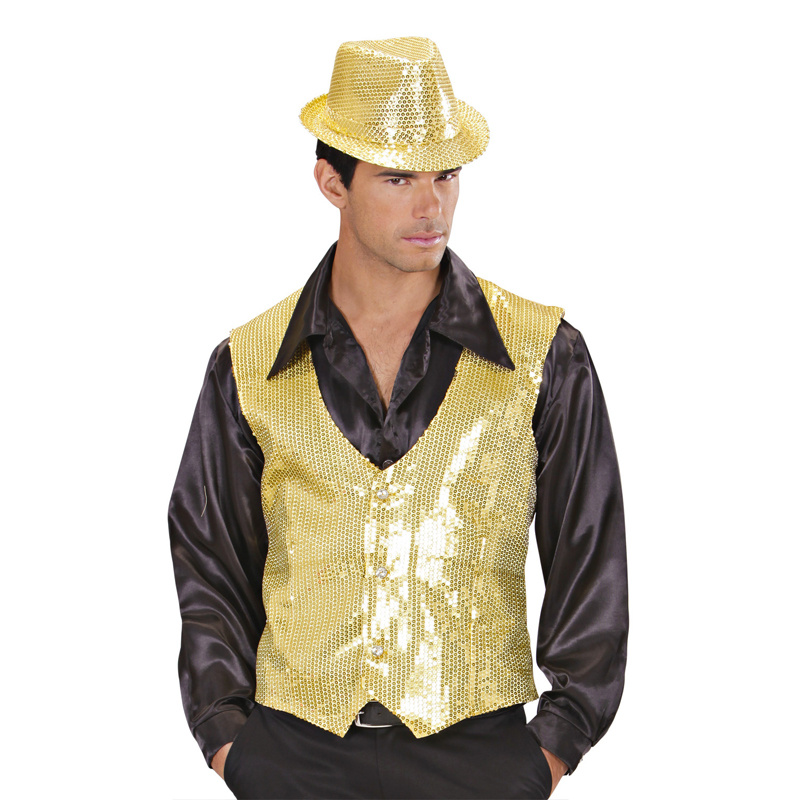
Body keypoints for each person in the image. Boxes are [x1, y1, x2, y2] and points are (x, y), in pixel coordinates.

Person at [169, 36, 628, 800]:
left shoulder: (543, 355)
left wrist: (550, 747)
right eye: (398, 177)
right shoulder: (247, 365)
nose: (431, 206)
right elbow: (208, 561)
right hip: (294, 756)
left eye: (447, 175)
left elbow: (591, 555)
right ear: (333, 182)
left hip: (478, 759)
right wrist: (230, 743)